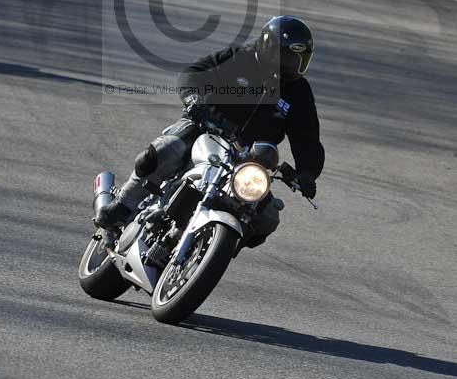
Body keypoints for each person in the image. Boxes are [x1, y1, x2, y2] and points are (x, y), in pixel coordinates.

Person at [97, 16, 325, 247]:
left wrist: (306, 173)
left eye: (299, 59)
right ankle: (124, 203)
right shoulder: (241, 58)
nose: (292, 65)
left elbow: (307, 138)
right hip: (204, 127)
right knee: (167, 150)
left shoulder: (299, 92)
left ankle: (213, 246)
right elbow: (194, 72)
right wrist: (194, 99)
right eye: (287, 57)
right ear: (268, 48)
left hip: (247, 158)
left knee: (267, 217)